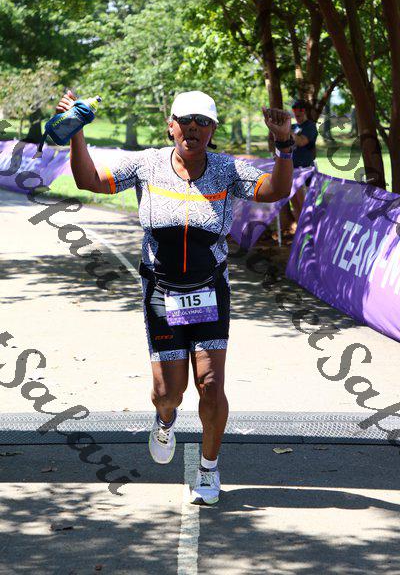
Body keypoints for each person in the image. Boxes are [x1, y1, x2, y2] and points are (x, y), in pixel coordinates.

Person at [57, 89, 293, 505]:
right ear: (171, 126)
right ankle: (164, 419)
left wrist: (284, 145)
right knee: (169, 392)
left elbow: (274, 190)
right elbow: (88, 181)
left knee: (211, 383)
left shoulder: (226, 170)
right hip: (161, 292)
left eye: (203, 122)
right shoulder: (147, 165)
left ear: (213, 130)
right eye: (186, 120)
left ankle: (208, 469)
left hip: (209, 289)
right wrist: (77, 132)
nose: (193, 128)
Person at [289, 98, 318, 223]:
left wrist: (289, 132)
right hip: (292, 169)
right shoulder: (293, 127)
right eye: (294, 111)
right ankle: (299, 228)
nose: (296, 114)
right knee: (295, 203)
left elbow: (301, 142)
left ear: (304, 111)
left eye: (299, 111)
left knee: (304, 203)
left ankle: (308, 227)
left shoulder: (310, 126)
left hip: (305, 170)